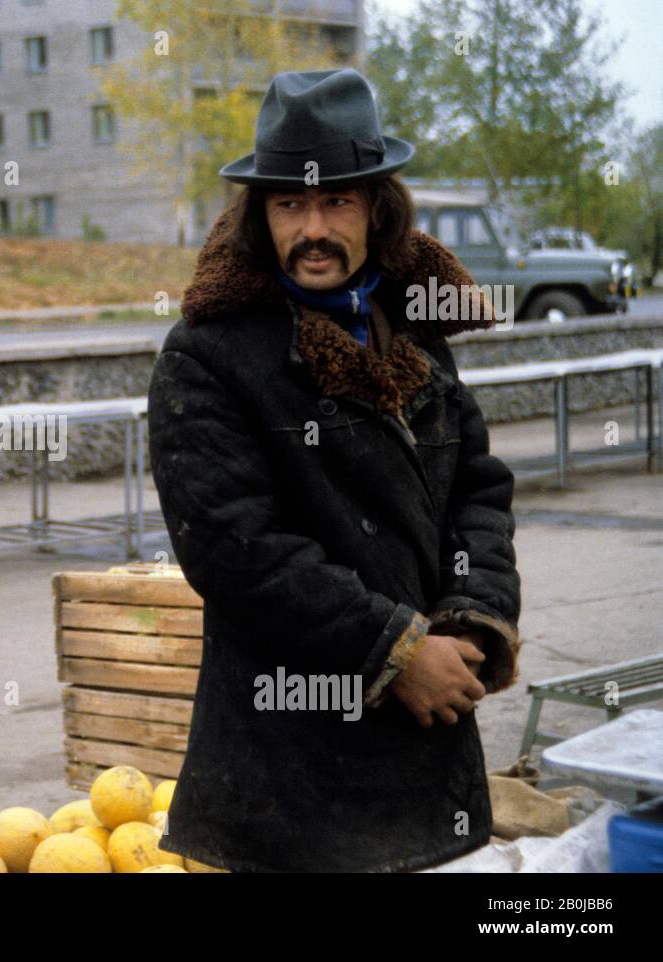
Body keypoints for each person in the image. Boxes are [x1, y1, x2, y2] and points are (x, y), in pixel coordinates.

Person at [147, 68, 521, 872]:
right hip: (289, 773)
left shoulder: (417, 334)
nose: (313, 227)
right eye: (290, 204)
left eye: (336, 202)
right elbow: (234, 546)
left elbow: (480, 490)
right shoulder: (210, 354)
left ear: (376, 210)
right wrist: (395, 651)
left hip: (427, 743)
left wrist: (466, 622)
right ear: (261, 216)